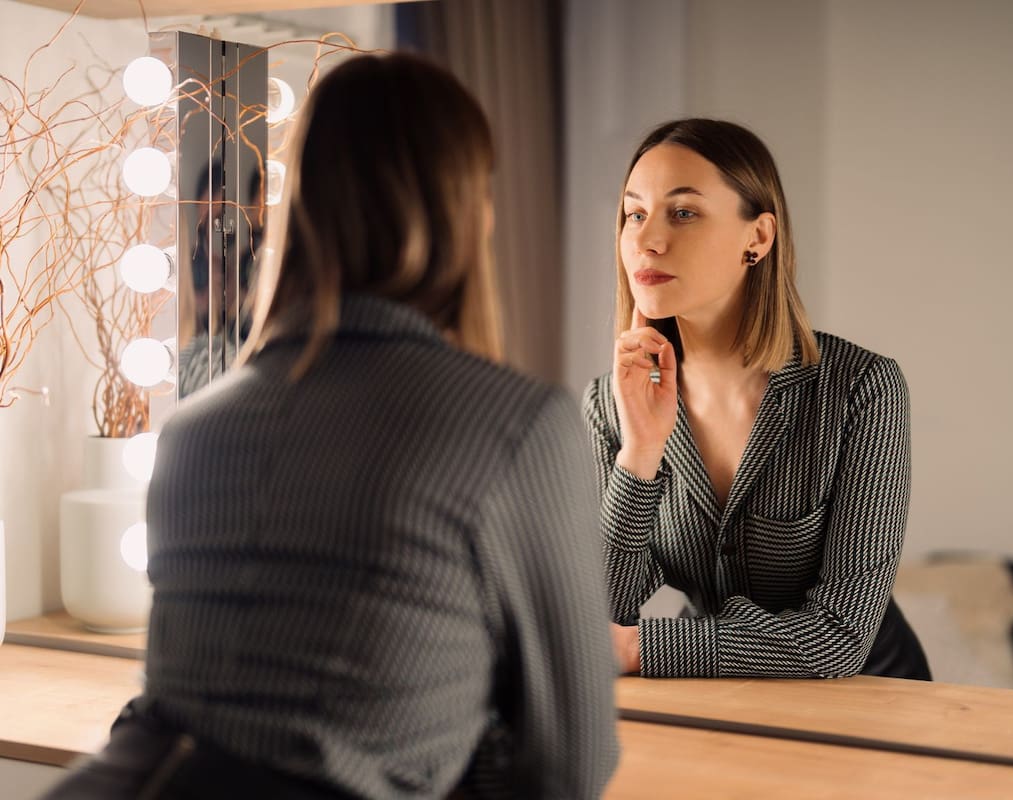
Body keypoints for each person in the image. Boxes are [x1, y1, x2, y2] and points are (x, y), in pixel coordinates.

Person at [44, 52, 618, 799]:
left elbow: (184, 705)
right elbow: (567, 767)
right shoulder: (516, 426)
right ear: (462, 211)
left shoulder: (194, 427)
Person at [584, 118, 931, 681]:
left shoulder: (862, 389)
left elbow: (838, 636)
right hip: (720, 702)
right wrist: (640, 454)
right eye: (634, 213)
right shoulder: (610, 403)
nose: (647, 239)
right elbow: (596, 615)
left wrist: (640, 649)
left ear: (758, 238)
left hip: (872, 701)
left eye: (684, 212)